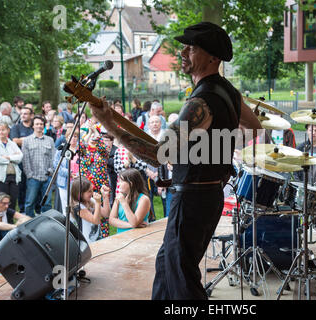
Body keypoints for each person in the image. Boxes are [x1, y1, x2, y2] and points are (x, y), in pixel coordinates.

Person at [89, 21, 262, 300]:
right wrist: (215, 149)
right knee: (166, 267)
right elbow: (253, 127)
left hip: (192, 199)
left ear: (212, 57)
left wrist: (109, 125)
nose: (182, 53)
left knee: (183, 281)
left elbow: (159, 155)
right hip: (210, 195)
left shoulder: (200, 102)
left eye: (191, 48)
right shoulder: (227, 91)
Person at [21, 115, 55, 217]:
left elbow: (53, 158)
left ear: (43, 126)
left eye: (41, 124)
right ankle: (29, 222)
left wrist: (50, 171)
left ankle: (46, 223)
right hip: (33, 177)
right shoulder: (27, 140)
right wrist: (29, 174)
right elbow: (25, 159)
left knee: (47, 203)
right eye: (37, 124)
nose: (39, 126)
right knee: (30, 202)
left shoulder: (50, 140)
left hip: (47, 176)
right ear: (33, 126)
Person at [0, 123, 23, 211]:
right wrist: (12, 158)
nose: (1, 132)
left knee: (13, 200)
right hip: (0, 177)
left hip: (13, 176)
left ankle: (10, 220)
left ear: (8, 130)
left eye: (3, 130)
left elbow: (20, 157)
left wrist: (8, 157)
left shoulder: (12, 143)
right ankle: (1, 221)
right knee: (2, 201)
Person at [109, 168, 151, 233]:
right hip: (121, 237)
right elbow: (111, 220)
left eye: (122, 181)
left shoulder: (143, 199)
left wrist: (124, 203)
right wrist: (130, 225)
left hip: (137, 237)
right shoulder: (119, 197)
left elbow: (134, 222)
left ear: (131, 184)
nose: (119, 184)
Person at [70, 178, 110, 243]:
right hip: (87, 241)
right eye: (89, 191)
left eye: (92, 190)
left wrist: (105, 196)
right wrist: (98, 203)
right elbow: (96, 221)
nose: (92, 193)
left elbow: (106, 214)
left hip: (97, 237)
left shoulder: (91, 200)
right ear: (80, 193)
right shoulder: (78, 207)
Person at [9, 106, 34, 212]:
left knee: (33, 186)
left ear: (31, 115)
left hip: (34, 160)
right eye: (22, 113)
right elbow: (15, 141)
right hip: (21, 161)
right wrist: (31, 140)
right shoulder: (16, 128)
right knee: (22, 186)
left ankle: (34, 208)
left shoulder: (34, 127)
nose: (23, 115)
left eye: (25, 113)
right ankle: (22, 208)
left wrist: (23, 140)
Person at [53, 127, 80, 215]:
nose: (73, 138)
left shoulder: (81, 150)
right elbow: (57, 165)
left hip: (78, 182)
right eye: (71, 136)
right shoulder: (61, 149)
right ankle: (68, 226)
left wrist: (78, 175)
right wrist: (69, 173)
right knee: (66, 207)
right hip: (64, 183)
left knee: (77, 206)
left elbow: (84, 165)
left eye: (75, 136)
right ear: (67, 137)